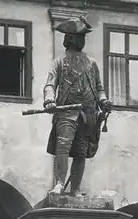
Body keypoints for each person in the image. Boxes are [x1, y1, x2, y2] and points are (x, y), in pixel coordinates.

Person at [43, 16, 112, 197]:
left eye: (83, 37)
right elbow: (50, 84)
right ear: (70, 38)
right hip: (66, 112)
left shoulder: (92, 63)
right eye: (79, 37)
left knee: (81, 152)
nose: (83, 40)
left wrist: (103, 101)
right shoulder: (59, 62)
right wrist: (49, 100)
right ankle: (59, 183)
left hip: (87, 114)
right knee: (63, 146)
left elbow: (99, 88)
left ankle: (75, 189)